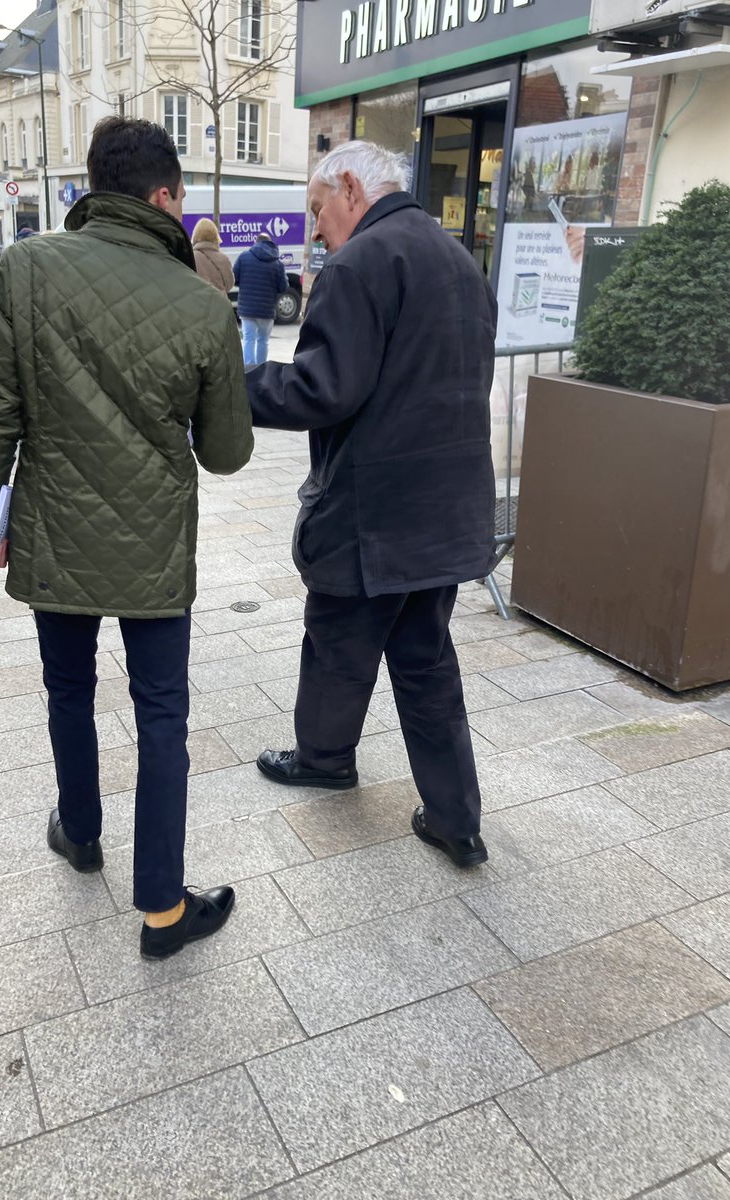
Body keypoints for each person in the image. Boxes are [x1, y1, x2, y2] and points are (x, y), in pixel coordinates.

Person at [0, 116, 254, 959]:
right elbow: (226, 452)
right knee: (161, 713)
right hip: (154, 543)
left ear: (95, 185)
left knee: (68, 689)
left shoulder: (28, 268)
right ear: (164, 196)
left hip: (55, 530)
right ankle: (162, 910)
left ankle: (81, 833)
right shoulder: (201, 302)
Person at [245, 141, 497, 872]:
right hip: (446, 511)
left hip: (372, 514)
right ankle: (456, 821)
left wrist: (233, 385)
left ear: (350, 188)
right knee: (426, 663)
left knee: (335, 643)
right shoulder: (457, 260)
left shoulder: (360, 262)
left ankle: (324, 759)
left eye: (317, 209)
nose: (317, 230)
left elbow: (323, 389)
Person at [233, 231, 287, 366]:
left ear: (256, 242)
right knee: (263, 340)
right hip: (267, 310)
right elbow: (283, 287)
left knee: (248, 339)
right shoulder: (278, 264)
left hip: (247, 309)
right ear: (270, 243)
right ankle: (261, 369)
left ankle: (249, 369)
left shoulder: (244, 257)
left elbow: (234, 278)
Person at [191, 217, 234, 295]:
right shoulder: (223, 258)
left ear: (195, 235)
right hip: (219, 301)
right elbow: (230, 284)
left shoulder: (191, 257)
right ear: (215, 235)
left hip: (199, 300)